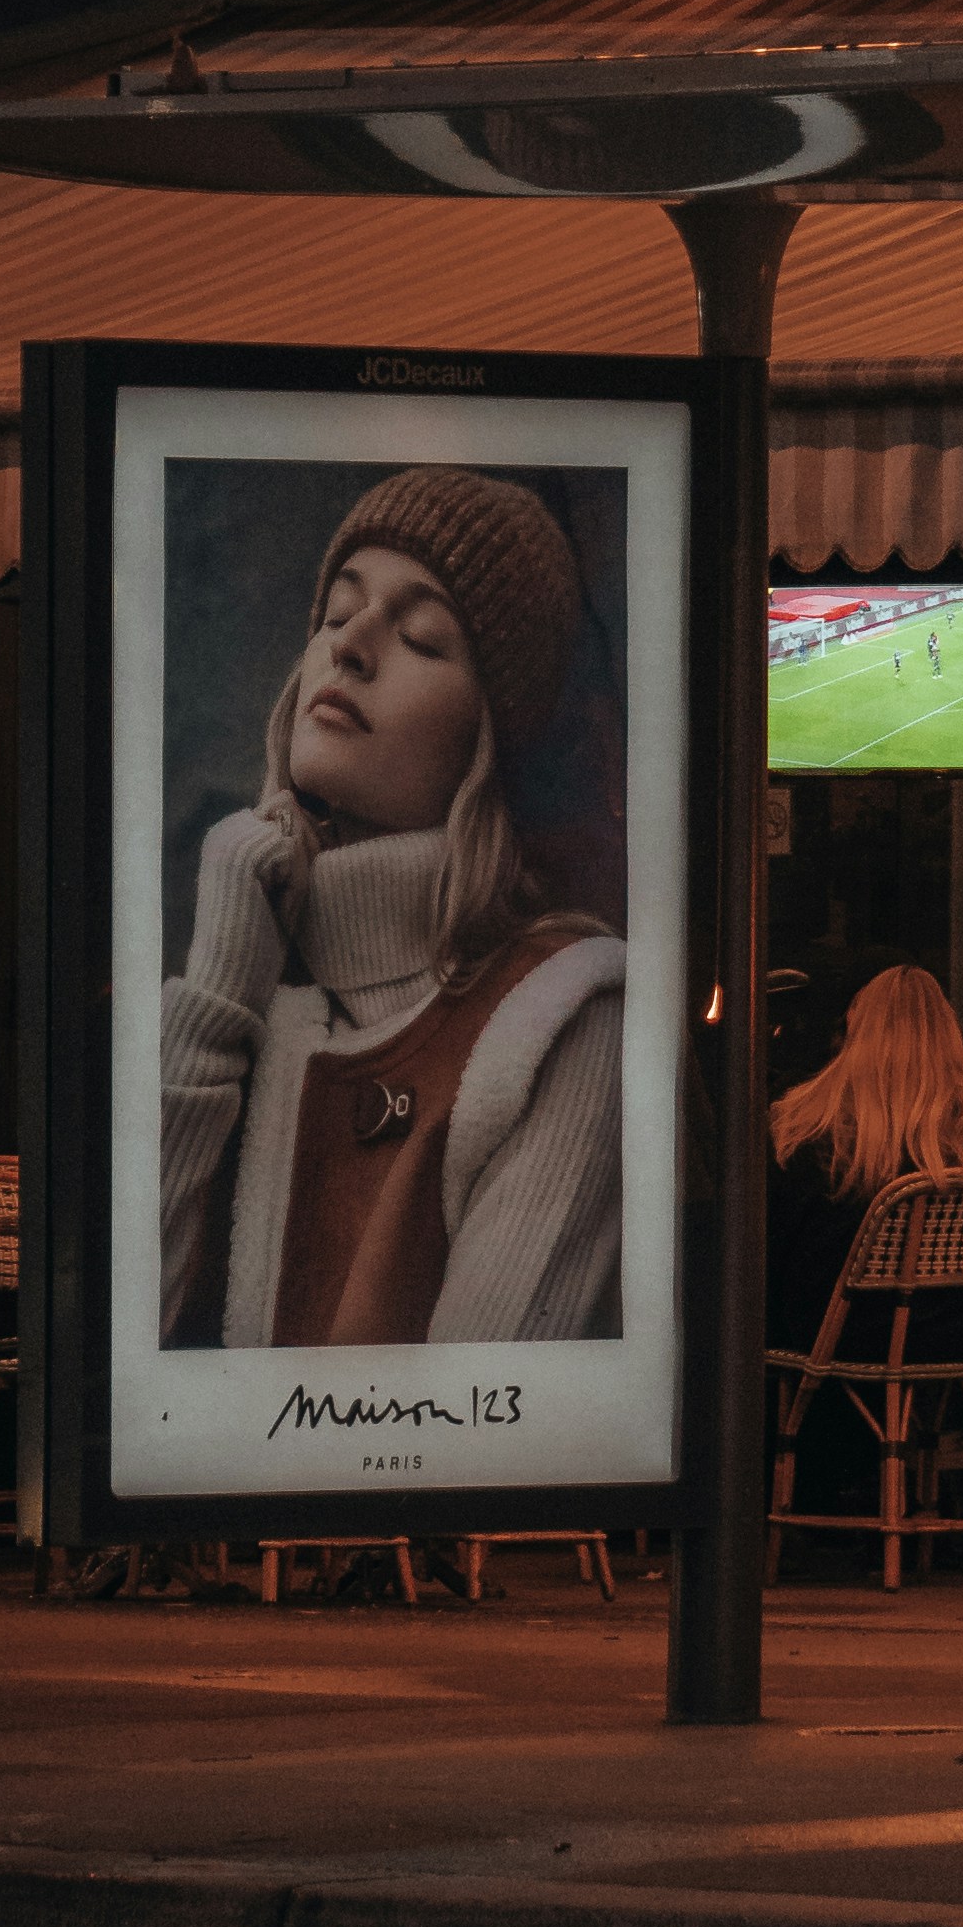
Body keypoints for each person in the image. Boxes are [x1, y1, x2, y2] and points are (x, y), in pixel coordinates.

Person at [157, 470, 632, 1355]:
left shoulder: (567, 1018)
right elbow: (108, 1395)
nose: (352, 646)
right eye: (336, 617)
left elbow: (481, 1444)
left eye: (422, 636)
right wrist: (215, 1000)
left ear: (489, 740)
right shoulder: (253, 1002)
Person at [764, 951, 963, 1370]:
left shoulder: (814, 1127)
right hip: (956, 1330)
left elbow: (776, 1242)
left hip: (837, 1333)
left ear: (856, 1028)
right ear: (948, 1034)